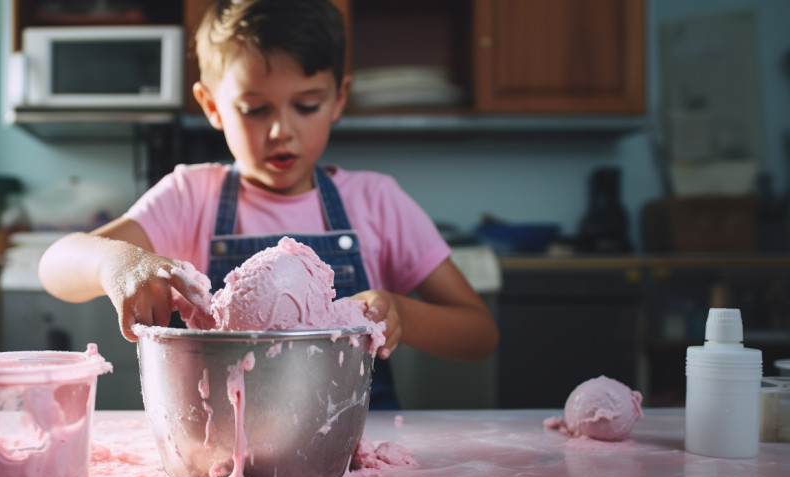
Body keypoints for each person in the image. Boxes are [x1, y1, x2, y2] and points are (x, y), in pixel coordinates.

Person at [38, 0, 498, 409]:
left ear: (338, 99)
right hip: (222, 456)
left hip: (353, 460)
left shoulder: (377, 201)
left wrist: (402, 312)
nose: (281, 129)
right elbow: (54, 265)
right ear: (212, 105)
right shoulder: (190, 196)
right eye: (255, 109)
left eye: (308, 104)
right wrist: (116, 261)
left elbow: (479, 334)